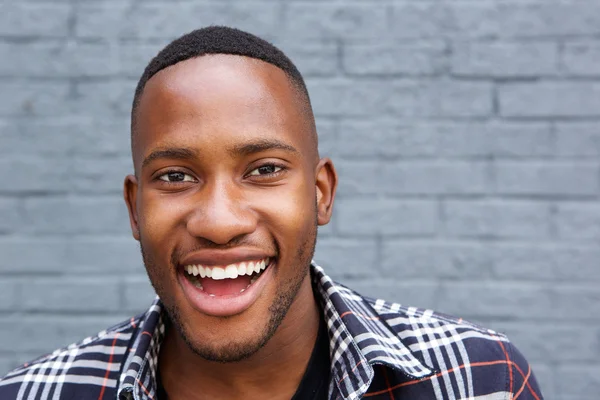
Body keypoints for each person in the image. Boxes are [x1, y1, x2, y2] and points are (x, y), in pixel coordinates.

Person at [0, 26, 543, 400]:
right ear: (134, 209)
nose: (219, 221)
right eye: (175, 177)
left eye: (263, 170)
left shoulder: (480, 379)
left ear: (321, 192)